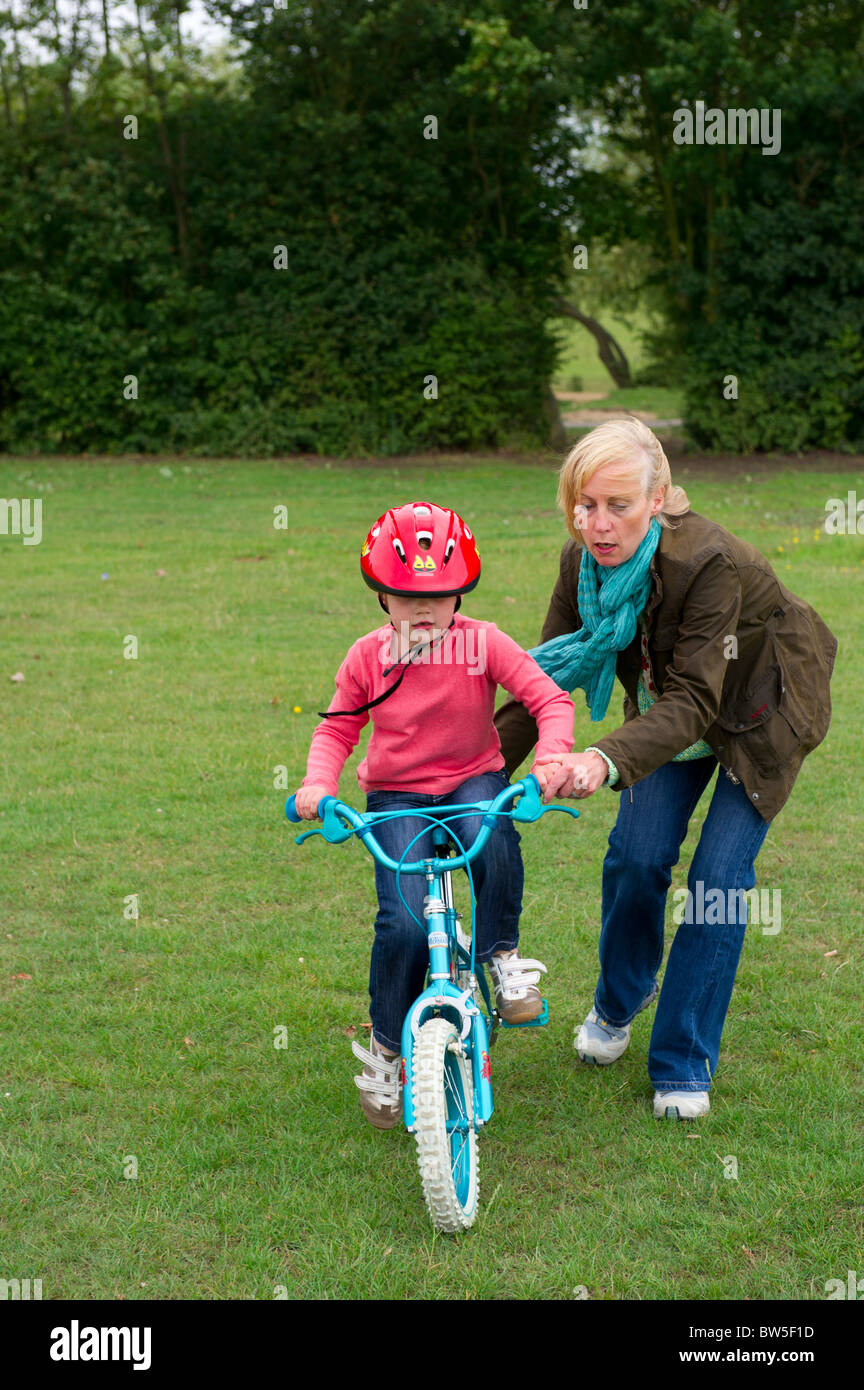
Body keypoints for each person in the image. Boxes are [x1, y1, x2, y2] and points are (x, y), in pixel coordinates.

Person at [493, 419, 837, 1120]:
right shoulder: (582, 566)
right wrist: (475, 773)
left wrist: (601, 757)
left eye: (618, 504)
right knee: (635, 858)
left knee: (717, 880)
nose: (599, 523)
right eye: (585, 504)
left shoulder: (705, 563)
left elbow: (698, 698)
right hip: (671, 714)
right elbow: (543, 682)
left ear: (659, 499)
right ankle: (620, 1001)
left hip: (758, 710)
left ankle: (682, 1058)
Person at [295, 501, 575, 1128]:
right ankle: (390, 1049)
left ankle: (502, 956)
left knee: (490, 830)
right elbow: (337, 730)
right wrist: (319, 785)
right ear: (380, 597)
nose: (423, 610)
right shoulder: (367, 658)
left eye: (440, 596)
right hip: (396, 795)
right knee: (401, 923)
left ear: (461, 594)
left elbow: (548, 699)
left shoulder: (484, 643)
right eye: (405, 596)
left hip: (472, 777)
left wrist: (551, 760)